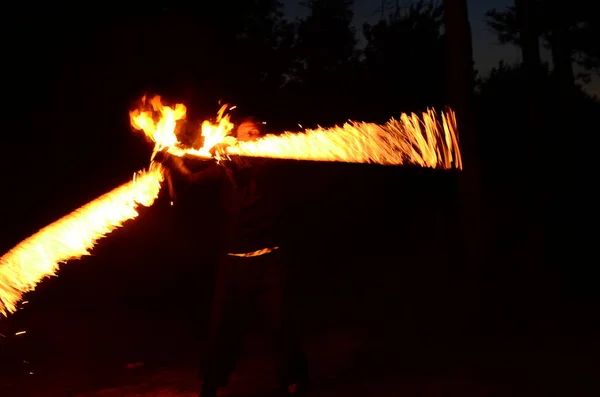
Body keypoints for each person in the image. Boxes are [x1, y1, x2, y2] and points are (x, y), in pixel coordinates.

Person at [155, 120, 309, 397]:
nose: (252, 136)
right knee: (222, 326)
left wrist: (225, 157)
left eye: (257, 132)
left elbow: (244, 172)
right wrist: (171, 160)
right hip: (234, 262)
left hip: (269, 261)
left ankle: (294, 379)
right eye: (245, 133)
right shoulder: (222, 169)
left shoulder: (271, 164)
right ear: (235, 138)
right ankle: (211, 383)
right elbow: (192, 179)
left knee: (281, 322)